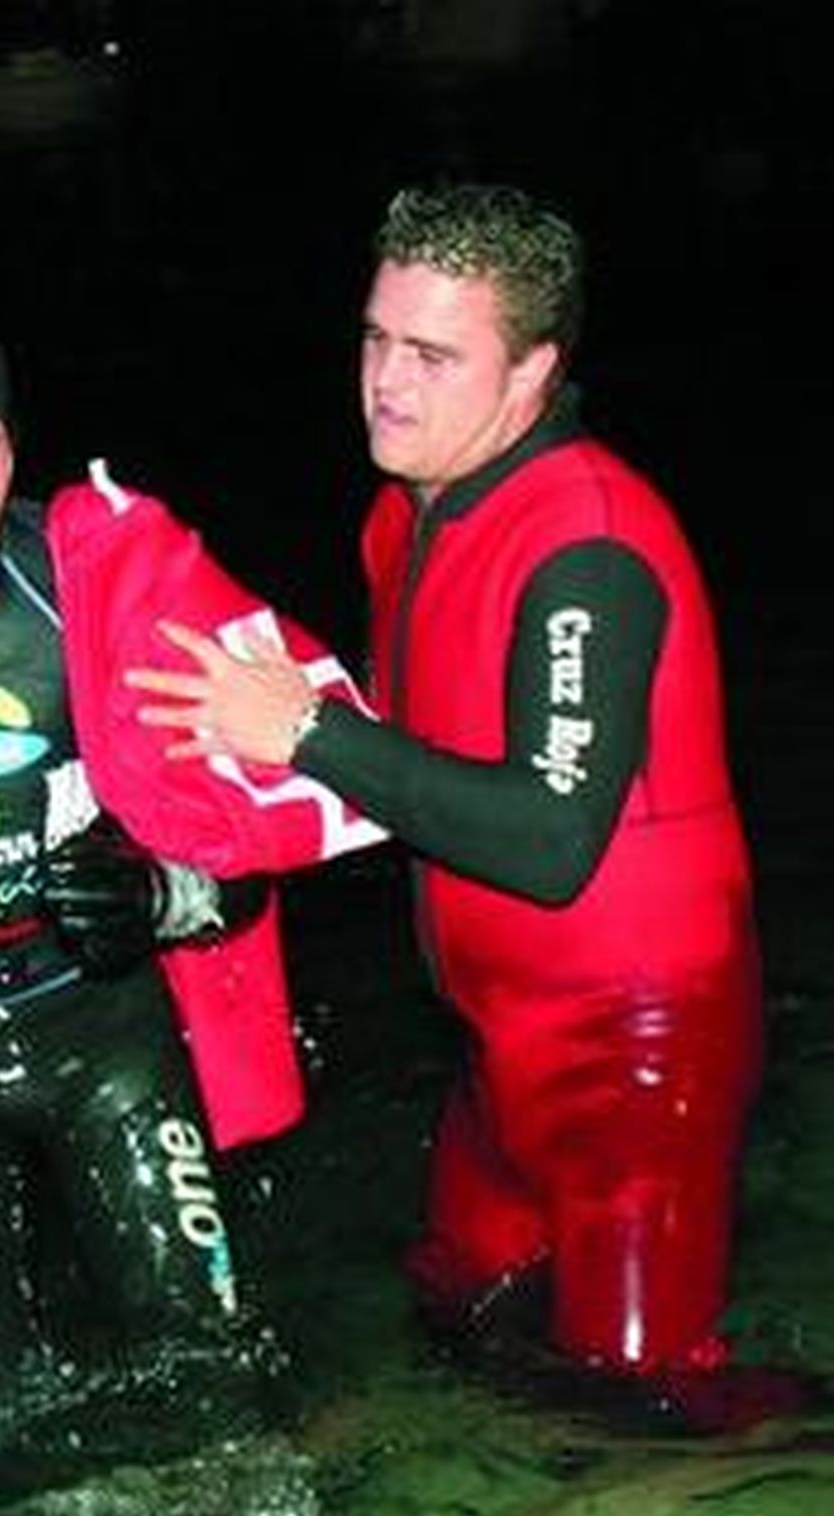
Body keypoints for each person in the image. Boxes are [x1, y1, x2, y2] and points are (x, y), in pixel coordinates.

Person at [126, 181, 803, 1433]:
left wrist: (312, 733)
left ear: (531, 371)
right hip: (497, 1046)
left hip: (634, 1057)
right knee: (459, 1322)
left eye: (433, 355)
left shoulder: (585, 544)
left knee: (641, 1413)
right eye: (377, 339)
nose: (387, 381)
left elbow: (547, 843)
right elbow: (400, 774)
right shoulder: (404, 515)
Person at [0, 293, 384, 1445]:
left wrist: (163, 891)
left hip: (104, 1035)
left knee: (219, 1388)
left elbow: (282, 824)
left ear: (20, 444)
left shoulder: (99, 585)